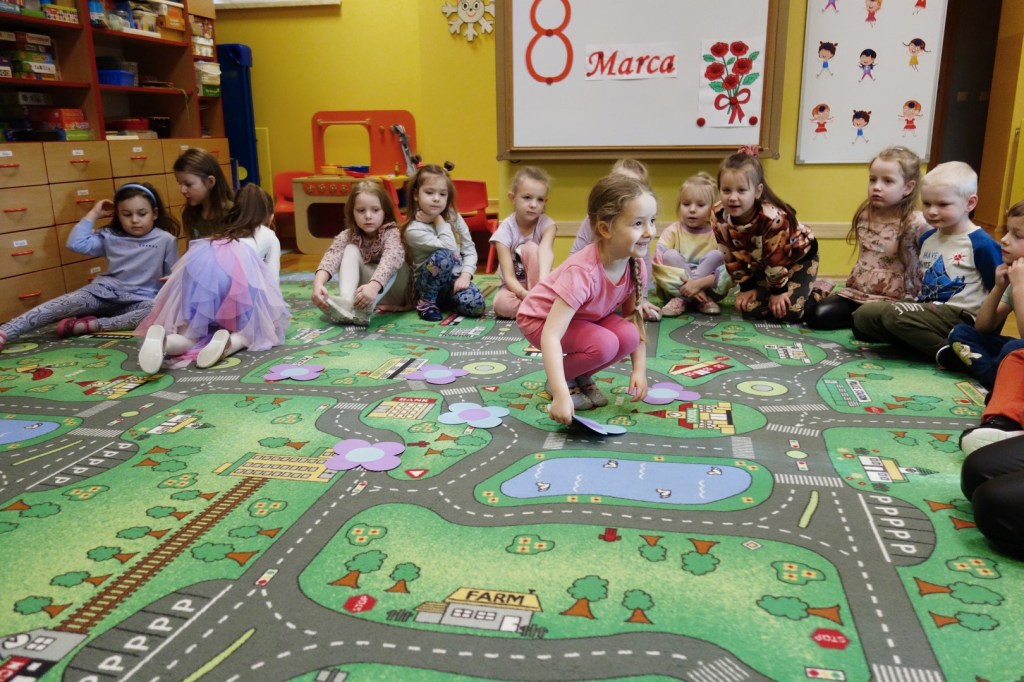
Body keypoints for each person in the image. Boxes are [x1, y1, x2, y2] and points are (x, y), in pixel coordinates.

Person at [517, 174, 651, 423]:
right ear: (605, 229)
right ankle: (562, 380)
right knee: (604, 344)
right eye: (638, 224)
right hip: (539, 320)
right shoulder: (583, 272)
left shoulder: (635, 264)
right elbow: (550, 335)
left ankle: (581, 375)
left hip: (583, 318)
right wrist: (559, 395)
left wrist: (639, 369)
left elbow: (634, 319)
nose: (650, 231)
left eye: (652, 221)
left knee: (629, 335)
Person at [0, 183, 179, 351]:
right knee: (59, 304)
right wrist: (93, 214)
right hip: (101, 294)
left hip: (137, 301)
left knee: (154, 311)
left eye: (142, 214)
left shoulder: (166, 240)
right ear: (118, 215)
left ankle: (89, 325)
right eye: (126, 214)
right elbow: (75, 244)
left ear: (155, 213)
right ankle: (5, 332)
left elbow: (171, 279)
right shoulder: (110, 235)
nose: (134, 220)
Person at [851, 161, 1001, 362]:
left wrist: (989, 333)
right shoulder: (927, 239)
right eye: (927, 204)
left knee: (892, 316)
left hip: (961, 317)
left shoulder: (981, 244)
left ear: (970, 203)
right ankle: (921, 343)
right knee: (862, 317)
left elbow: (1000, 291)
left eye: (943, 205)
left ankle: (951, 354)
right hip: (927, 309)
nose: (932, 211)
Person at [136, 184, 288, 373]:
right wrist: (271, 318)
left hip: (200, 276)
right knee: (254, 332)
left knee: (190, 336)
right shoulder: (269, 235)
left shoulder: (224, 231)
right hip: (234, 283)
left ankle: (164, 343)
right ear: (269, 215)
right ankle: (229, 342)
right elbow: (272, 281)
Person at [804, 146, 927, 330]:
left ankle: (866, 322)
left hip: (894, 301)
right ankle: (823, 291)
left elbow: (928, 264)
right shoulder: (865, 214)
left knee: (881, 325)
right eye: (873, 179)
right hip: (858, 295)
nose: (877, 187)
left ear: (908, 188)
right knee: (816, 316)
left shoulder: (916, 223)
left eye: (888, 181)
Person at [713, 151, 819, 323]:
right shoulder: (718, 214)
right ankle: (781, 289)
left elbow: (776, 260)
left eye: (741, 190)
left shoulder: (772, 218)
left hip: (799, 258)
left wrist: (778, 292)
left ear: (757, 191)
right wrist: (746, 286)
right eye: (726, 190)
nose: (732, 197)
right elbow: (729, 254)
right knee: (751, 310)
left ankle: (818, 290)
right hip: (766, 264)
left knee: (788, 312)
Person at [941, 201, 1024, 387]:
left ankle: (989, 374)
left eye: (1017, 235)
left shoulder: (1019, 280)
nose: (1005, 239)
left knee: (1013, 348)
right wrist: (998, 288)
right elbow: (983, 327)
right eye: (1007, 231)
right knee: (961, 332)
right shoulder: (1015, 275)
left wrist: (1020, 288)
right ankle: (997, 374)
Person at [569, 159, 661, 321]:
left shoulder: (642, 226)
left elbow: (644, 260)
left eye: (633, 186)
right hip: (592, 285)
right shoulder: (594, 220)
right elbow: (575, 254)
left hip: (619, 287)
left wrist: (642, 299)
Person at [311, 180, 409, 326]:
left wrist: (374, 287)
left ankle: (364, 310)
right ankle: (347, 303)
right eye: (361, 210)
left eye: (375, 210)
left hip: (394, 292)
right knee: (350, 249)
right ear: (352, 213)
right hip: (364, 295)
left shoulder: (392, 232)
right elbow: (331, 256)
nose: (368, 216)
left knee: (393, 262)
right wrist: (318, 284)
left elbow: (390, 260)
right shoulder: (349, 234)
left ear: (385, 212)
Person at [401, 163, 485, 322]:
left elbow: (469, 248)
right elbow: (450, 249)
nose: (436, 198)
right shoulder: (413, 229)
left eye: (442, 194)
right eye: (429, 192)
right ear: (416, 195)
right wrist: (438, 219)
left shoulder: (454, 216)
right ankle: (427, 303)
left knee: (476, 306)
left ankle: (448, 301)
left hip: (453, 281)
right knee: (443, 257)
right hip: (426, 286)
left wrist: (465, 275)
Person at [653, 172, 731, 317]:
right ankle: (691, 298)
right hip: (675, 288)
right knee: (669, 255)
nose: (692, 209)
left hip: (709, 289)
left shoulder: (717, 232)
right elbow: (658, 262)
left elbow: (729, 268)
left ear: (712, 208)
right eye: (686, 204)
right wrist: (689, 286)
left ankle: (689, 296)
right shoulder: (673, 231)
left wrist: (698, 284)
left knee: (717, 255)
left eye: (700, 205)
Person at [491, 166, 557, 319]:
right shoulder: (505, 230)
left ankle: (537, 306)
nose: (533, 204)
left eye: (540, 199)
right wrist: (524, 294)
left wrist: (541, 288)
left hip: (542, 281)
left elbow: (545, 253)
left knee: (531, 248)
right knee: (501, 304)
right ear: (512, 198)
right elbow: (508, 276)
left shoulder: (548, 225)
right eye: (527, 197)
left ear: (545, 202)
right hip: (515, 288)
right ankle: (539, 309)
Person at [174, 147, 233, 238]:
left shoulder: (233, 213)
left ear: (210, 182)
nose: (182, 190)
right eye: (180, 183)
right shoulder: (189, 215)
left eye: (188, 184)